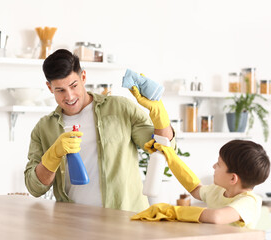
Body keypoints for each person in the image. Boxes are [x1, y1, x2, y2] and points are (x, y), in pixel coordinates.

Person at [24, 49, 175, 212]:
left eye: (73, 85)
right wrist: (52, 156)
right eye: (60, 90)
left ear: (83, 77)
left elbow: (163, 150)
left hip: (124, 223)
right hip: (71, 225)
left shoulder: (120, 108)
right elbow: (35, 188)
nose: (69, 96)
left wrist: (159, 113)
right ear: (49, 87)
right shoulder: (44, 128)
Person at [131, 139, 270, 229]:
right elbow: (195, 188)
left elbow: (217, 217)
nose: (214, 166)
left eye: (219, 164)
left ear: (233, 179)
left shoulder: (250, 201)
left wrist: (173, 211)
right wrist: (171, 157)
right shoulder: (218, 191)